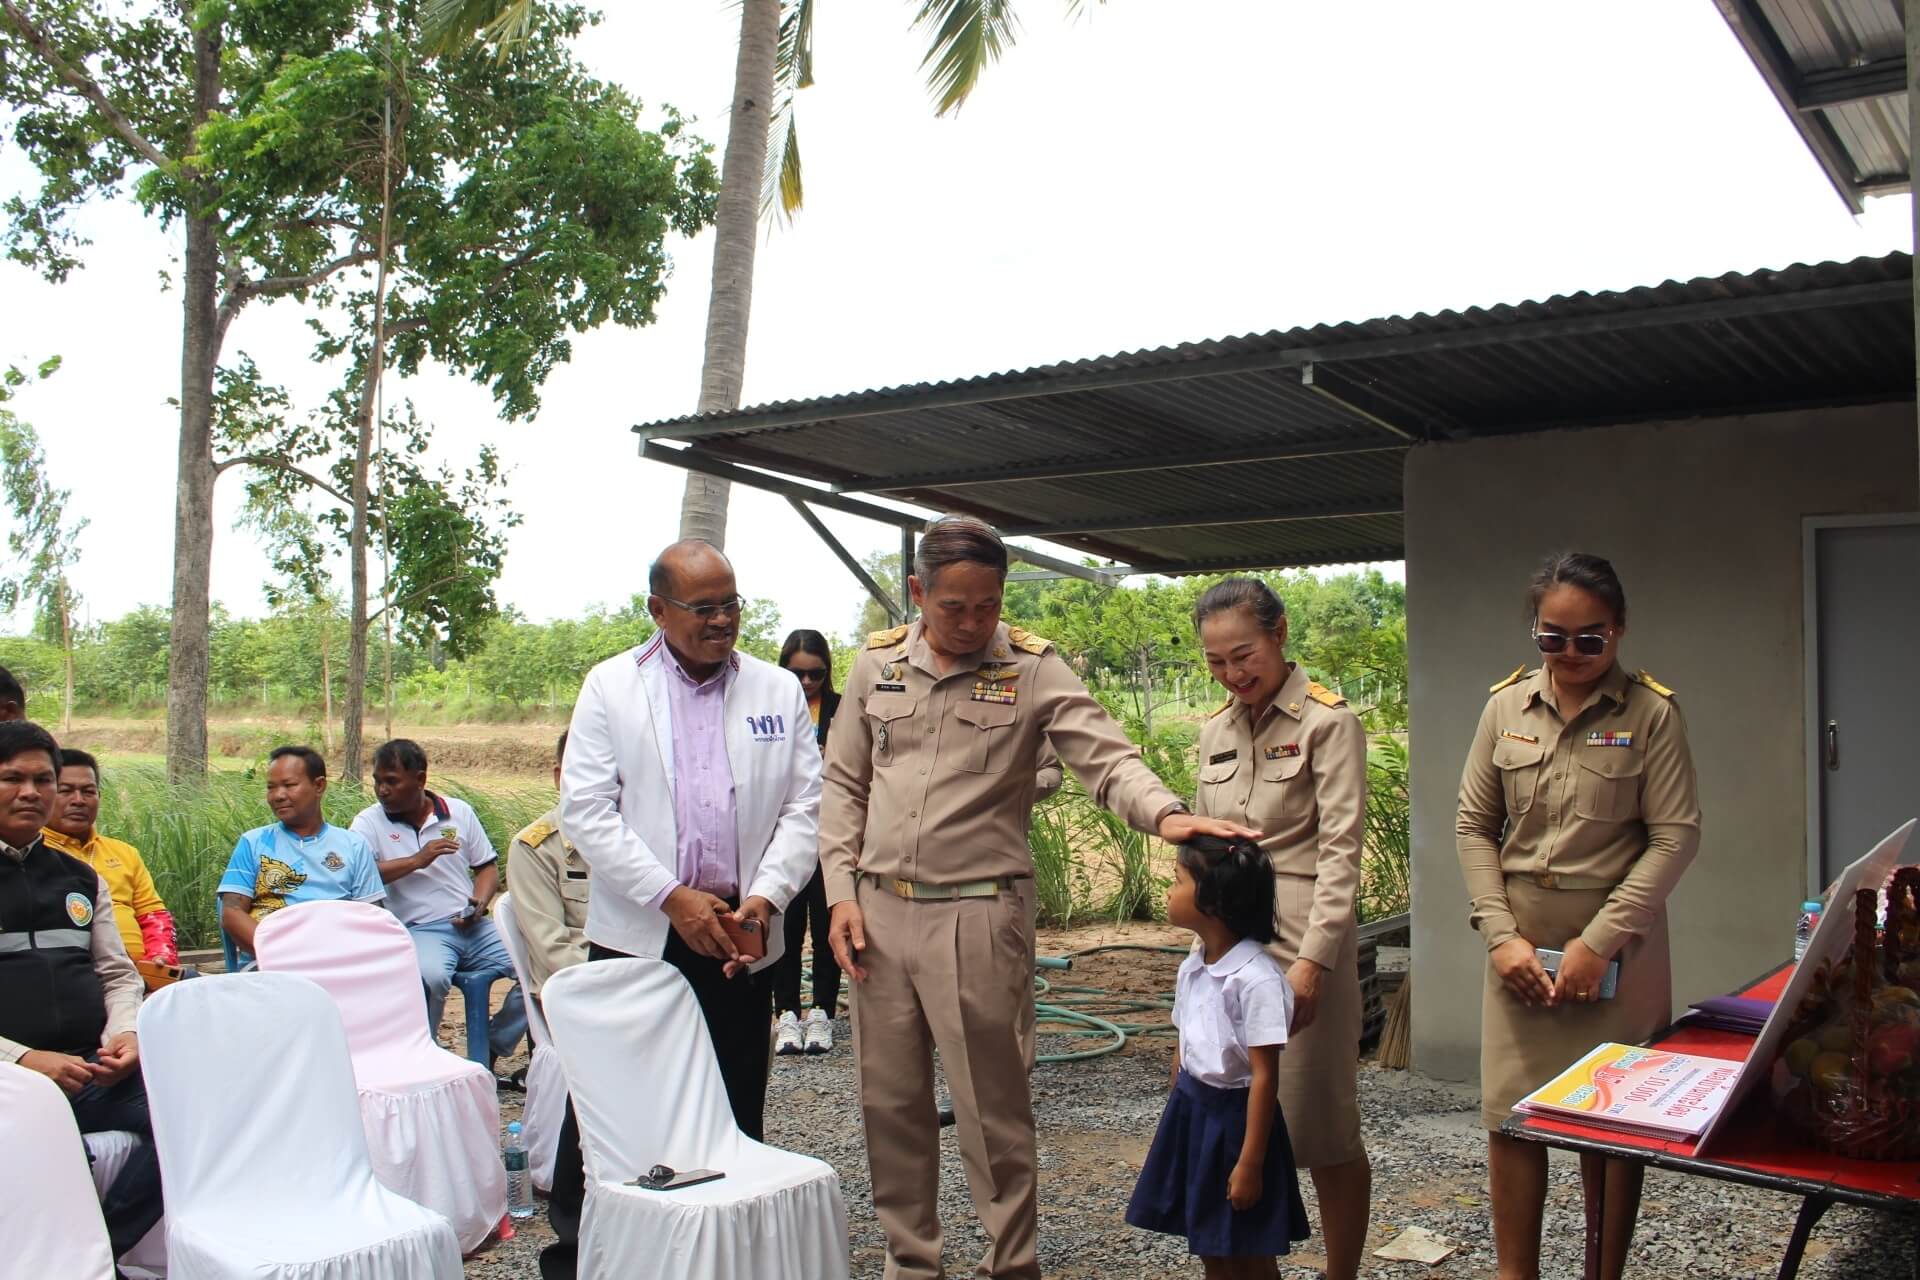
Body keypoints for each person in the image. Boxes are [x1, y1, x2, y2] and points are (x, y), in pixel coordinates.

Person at [821, 514, 1256, 1280]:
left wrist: (1167, 814)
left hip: (978, 915)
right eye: (953, 607)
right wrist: (839, 895)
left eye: (988, 605)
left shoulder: (1030, 667)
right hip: (878, 915)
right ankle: (911, 1263)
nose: (972, 623)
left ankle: (1011, 1265)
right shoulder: (875, 665)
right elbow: (844, 786)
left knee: (991, 1114)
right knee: (890, 1106)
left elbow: (1106, 757)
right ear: (918, 593)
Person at [543, 539, 820, 1280]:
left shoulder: (775, 689)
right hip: (641, 928)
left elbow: (806, 807)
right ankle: (580, 1252)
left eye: (731, 604)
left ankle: (722, 1254)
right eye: (704, 608)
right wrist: (670, 897)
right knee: (610, 1099)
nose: (722, 620)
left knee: (731, 1097)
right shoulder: (612, 686)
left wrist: (765, 898)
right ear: (658, 610)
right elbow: (587, 810)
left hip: (740, 929)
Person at [1456, 552, 1700, 1280]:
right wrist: (1500, 938)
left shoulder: (1651, 714)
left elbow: (1676, 836)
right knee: (1511, 1119)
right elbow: (1474, 826)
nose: (1570, 653)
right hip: (1520, 951)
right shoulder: (1504, 708)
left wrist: (1599, 943)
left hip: (1617, 954)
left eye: (1589, 638)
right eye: (1551, 637)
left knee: (1611, 1127)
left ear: (1619, 629)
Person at [1191, 577, 1373, 1279]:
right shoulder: (1214, 729)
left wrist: (1315, 962)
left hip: (1301, 936)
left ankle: (1340, 1272)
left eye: (1244, 656)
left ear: (1280, 633)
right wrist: (1199, 966)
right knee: (1235, 1119)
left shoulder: (1328, 722)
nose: (1233, 674)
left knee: (1320, 1125)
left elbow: (1342, 851)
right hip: (1226, 943)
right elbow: (1202, 855)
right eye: (1216, 662)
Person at [0, 721, 162, 1258]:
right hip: (9, 1079)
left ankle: (103, 1253)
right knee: (46, 1154)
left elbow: (117, 973)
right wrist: (24, 1059)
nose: (31, 792)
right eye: (12, 778)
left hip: (91, 1070)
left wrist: (126, 1034)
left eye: (42, 780)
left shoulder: (80, 878)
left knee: (191, 1114)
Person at [1126, 835, 1310, 1277]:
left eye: (1178, 881)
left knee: (1247, 1249)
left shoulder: (1256, 980)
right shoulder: (1193, 966)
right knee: (1209, 1240)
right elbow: (1184, 1042)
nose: (1169, 890)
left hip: (1237, 1126)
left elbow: (1264, 1077)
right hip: (1194, 1114)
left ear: (1212, 899)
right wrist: (1178, 1112)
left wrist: (1250, 1162)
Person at [351, 738, 527, 1063]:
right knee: (430, 977)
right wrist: (416, 861)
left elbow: (486, 867)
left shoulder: (458, 812)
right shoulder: (368, 823)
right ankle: (424, 1058)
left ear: (420, 779)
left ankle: (492, 1046)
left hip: (474, 926)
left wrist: (480, 902)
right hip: (420, 931)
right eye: (377, 781)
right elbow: (359, 876)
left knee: (537, 967)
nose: (382, 790)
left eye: (392, 781)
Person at [217, 745, 385, 962]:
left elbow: (371, 918)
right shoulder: (253, 843)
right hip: (270, 965)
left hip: (338, 962)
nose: (278, 795)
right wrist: (283, 955)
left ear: (319, 786)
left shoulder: (353, 846)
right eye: (271, 787)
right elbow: (232, 913)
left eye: (289, 785)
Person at [43, 748, 182, 985]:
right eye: (65, 791)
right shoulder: (33, 854)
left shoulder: (124, 852)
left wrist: (160, 957)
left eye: (88, 791)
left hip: (144, 973)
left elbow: (153, 914)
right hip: (78, 975)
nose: (78, 800)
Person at [773, 628, 841, 1055]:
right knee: (786, 927)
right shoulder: (769, 712)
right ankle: (786, 1013)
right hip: (784, 835)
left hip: (832, 834)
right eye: (797, 674)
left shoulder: (842, 709)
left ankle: (822, 1013)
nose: (807, 682)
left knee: (828, 926)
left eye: (815, 674)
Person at [507, 729, 589, 1001]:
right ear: (559, 778)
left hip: (634, 981)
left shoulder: (635, 841)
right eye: (586, 773)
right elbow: (554, 950)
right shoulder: (535, 849)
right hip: (573, 989)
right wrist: (620, 983)